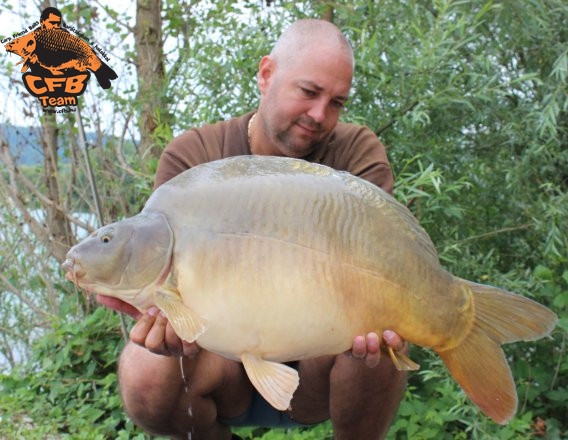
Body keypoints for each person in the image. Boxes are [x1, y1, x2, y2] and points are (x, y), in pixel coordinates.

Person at [98, 18, 408, 440]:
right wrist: (165, 323)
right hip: (219, 365)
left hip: (322, 365)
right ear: (266, 74)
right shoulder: (194, 158)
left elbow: (390, 270)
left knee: (381, 347)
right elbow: (164, 282)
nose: (320, 114)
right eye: (309, 92)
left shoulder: (356, 154)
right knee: (143, 370)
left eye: (337, 102)